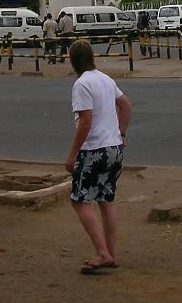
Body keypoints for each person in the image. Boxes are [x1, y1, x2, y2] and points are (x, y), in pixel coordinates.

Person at [64, 39, 132, 275]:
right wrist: (121, 133)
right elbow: (126, 105)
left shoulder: (82, 84)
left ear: (73, 60)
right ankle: (110, 254)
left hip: (95, 150)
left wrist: (72, 155)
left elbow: (86, 121)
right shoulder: (105, 78)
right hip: (115, 148)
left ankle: (103, 253)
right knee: (105, 200)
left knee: (79, 200)